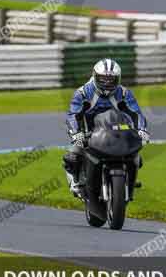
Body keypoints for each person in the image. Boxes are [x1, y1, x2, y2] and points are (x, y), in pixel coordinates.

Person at [63, 58, 150, 197]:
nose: (107, 83)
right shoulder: (83, 93)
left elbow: (136, 113)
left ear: (118, 79)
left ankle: (130, 182)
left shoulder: (124, 93)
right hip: (90, 134)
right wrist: (76, 133)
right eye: (103, 79)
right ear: (95, 76)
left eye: (111, 80)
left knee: (136, 157)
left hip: (117, 132)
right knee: (72, 155)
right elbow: (73, 115)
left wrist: (142, 130)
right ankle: (75, 183)